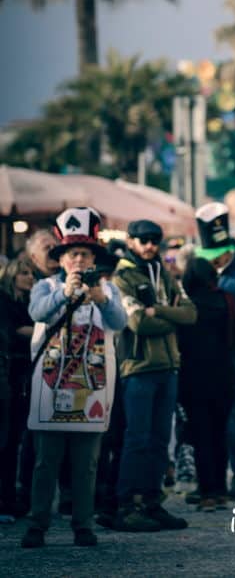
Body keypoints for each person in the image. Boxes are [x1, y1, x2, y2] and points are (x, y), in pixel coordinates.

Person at [21, 207, 127, 550]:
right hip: (51, 386)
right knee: (45, 462)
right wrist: (63, 293)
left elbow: (119, 322)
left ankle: (84, 524)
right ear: (62, 259)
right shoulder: (44, 286)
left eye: (84, 254)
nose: (78, 260)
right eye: (73, 254)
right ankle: (37, 524)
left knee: (87, 464)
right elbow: (37, 312)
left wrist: (101, 299)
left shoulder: (107, 289)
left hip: (90, 388)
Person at [111, 218, 195, 532]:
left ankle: (151, 501)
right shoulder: (123, 277)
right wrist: (169, 314)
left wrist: (157, 311)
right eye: (143, 239)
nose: (149, 245)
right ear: (130, 241)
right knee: (137, 439)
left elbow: (190, 313)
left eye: (154, 240)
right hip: (138, 368)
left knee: (160, 440)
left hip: (168, 366)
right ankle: (126, 504)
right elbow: (136, 324)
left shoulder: (165, 272)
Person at [193, 202, 235, 498]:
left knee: (231, 414)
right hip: (203, 357)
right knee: (204, 417)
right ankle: (210, 482)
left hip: (234, 355)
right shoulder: (197, 274)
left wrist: (223, 326)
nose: (216, 260)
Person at [175, 257, 235, 512]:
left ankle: (207, 492)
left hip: (194, 376)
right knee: (219, 433)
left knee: (201, 434)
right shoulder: (227, 300)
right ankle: (221, 490)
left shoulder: (187, 305)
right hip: (225, 374)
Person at [0, 257, 36, 521]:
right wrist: (42, 331)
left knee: (16, 439)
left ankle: (10, 497)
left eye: (31, 273)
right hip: (11, 372)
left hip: (24, 373)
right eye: (24, 273)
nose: (30, 277)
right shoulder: (5, 301)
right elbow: (13, 332)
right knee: (8, 439)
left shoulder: (28, 302)